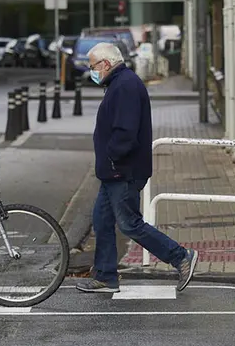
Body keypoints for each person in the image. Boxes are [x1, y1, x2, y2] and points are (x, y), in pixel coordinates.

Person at [76, 42, 198, 294]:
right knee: (101, 220)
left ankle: (180, 256)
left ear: (106, 64)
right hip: (115, 172)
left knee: (130, 224)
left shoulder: (125, 86)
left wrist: (112, 159)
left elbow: (125, 133)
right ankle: (106, 276)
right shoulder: (120, 84)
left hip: (123, 171)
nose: (92, 72)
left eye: (93, 67)